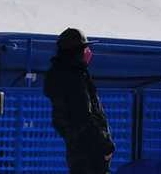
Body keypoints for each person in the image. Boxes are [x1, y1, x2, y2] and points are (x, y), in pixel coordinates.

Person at [45, 28, 115, 174]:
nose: (88, 52)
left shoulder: (59, 75)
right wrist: (105, 145)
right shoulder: (75, 78)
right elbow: (84, 116)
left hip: (77, 149)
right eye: (84, 48)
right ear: (76, 52)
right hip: (90, 152)